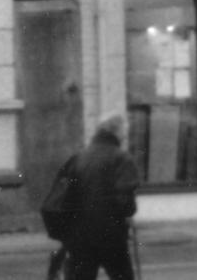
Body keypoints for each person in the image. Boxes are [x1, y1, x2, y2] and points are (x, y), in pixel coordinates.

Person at [61, 113, 141, 280]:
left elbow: (66, 196)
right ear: (116, 131)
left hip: (79, 235)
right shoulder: (121, 158)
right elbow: (125, 201)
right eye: (124, 130)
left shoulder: (80, 157)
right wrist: (129, 215)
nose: (125, 135)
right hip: (111, 234)